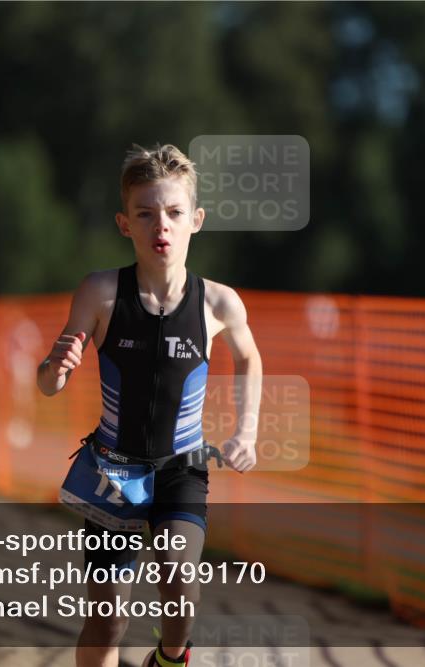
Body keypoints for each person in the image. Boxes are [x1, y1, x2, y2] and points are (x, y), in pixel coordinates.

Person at [37, 143, 262, 667]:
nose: (161, 226)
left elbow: (250, 360)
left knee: (183, 592)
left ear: (196, 220)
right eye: (146, 213)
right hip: (112, 469)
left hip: (182, 466)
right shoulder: (99, 293)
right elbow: (48, 385)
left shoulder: (219, 302)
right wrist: (56, 366)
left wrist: (246, 432)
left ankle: (167, 658)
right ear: (124, 223)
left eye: (174, 213)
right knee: (109, 618)